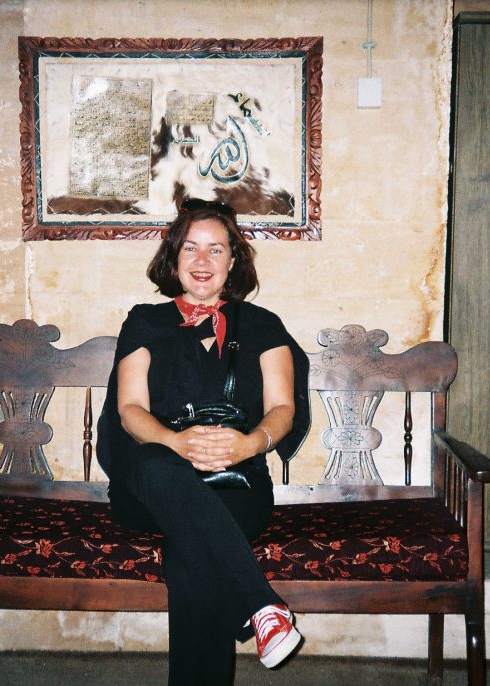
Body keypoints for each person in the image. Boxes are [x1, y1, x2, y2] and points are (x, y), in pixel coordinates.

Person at [96, 198, 310, 685]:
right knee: (153, 465)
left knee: (189, 549)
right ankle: (262, 605)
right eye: (190, 248)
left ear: (233, 260)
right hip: (153, 483)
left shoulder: (263, 325)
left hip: (236, 479)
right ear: (172, 257)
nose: (201, 261)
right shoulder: (144, 322)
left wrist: (250, 444)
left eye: (216, 249)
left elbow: (283, 408)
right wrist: (176, 443)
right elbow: (130, 412)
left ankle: (259, 617)